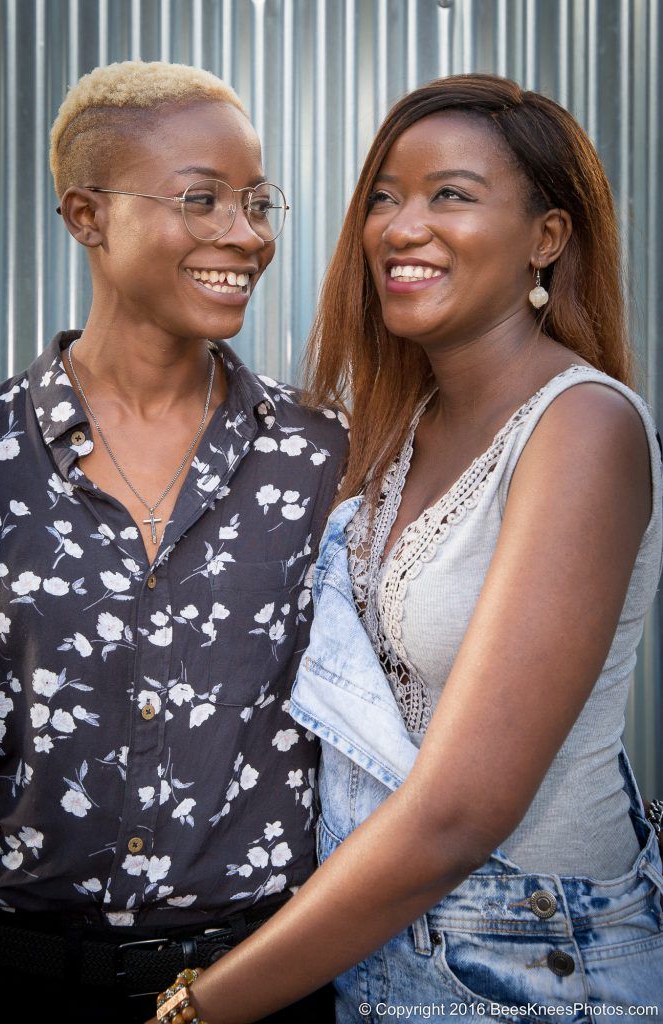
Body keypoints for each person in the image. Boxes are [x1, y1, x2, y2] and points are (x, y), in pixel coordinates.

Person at [142, 74, 663, 1024]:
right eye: (385, 196)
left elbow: (459, 814)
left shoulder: (582, 429)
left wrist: (195, 1008)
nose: (399, 226)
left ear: (547, 238)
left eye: (450, 195)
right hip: (377, 948)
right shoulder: (392, 430)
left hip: (531, 963)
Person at [0, 60, 347, 1021]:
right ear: (86, 216)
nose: (247, 234)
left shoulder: (320, 457)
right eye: (203, 199)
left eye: (257, 201)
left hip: (265, 982)